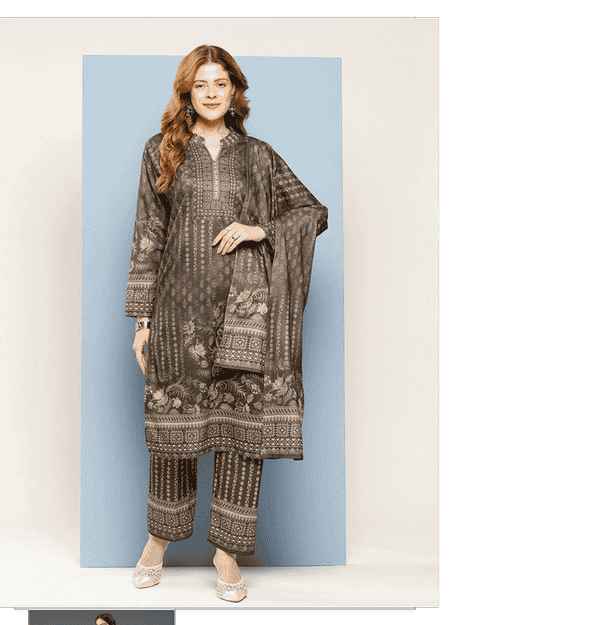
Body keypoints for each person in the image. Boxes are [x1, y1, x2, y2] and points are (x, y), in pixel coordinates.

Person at [124, 44, 328, 602]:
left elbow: (311, 212)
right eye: (201, 84)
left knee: (242, 434)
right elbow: (148, 233)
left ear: (235, 90)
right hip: (177, 310)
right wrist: (141, 319)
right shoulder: (160, 150)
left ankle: (228, 552)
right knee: (174, 429)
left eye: (221, 83)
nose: (212, 93)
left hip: (246, 314)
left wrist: (261, 230)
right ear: (187, 93)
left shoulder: (258, 155)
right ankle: (158, 542)